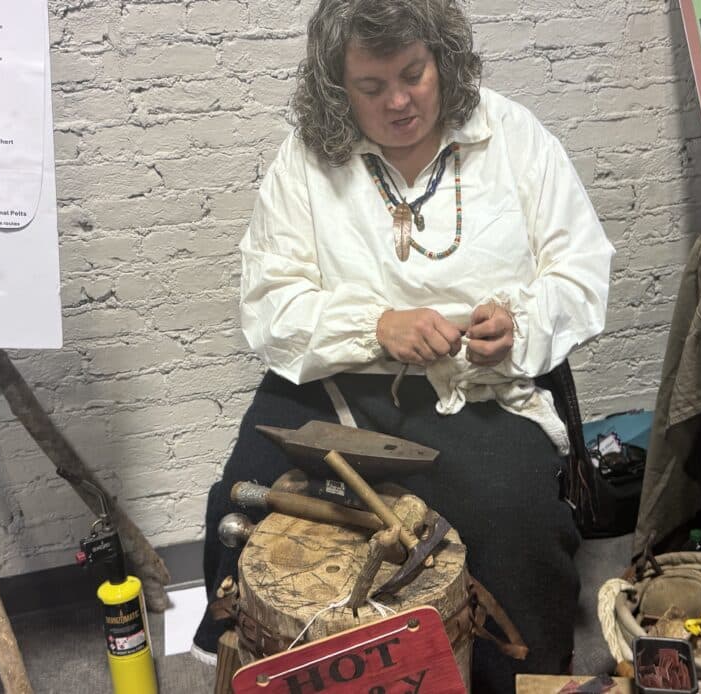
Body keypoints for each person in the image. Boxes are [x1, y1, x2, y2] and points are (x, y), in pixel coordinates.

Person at [192, 0, 614, 689]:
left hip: (475, 390)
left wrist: (519, 325)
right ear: (338, 87)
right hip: (334, 385)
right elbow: (270, 305)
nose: (398, 102)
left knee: (517, 528)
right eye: (371, 86)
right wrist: (375, 326)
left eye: (413, 75)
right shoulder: (306, 159)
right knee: (241, 506)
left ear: (442, 60)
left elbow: (579, 270)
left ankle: (516, 679)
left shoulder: (513, 137)